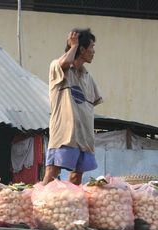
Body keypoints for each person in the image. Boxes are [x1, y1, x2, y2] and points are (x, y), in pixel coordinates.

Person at [42, 28, 103, 186]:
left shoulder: (88, 78)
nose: (94, 51)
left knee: (76, 178)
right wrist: (73, 45)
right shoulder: (58, 68)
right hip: (64, 135)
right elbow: (66, 62)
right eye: (92, 47)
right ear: (82, 49)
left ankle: (70, 206)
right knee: (52, 174)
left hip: (84, 137)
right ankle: (40, 206)